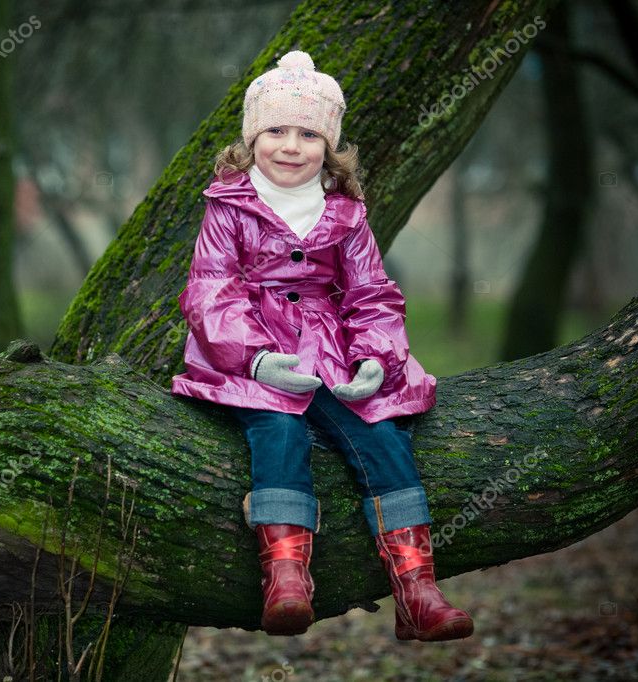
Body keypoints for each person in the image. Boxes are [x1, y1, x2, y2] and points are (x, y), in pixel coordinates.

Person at [171, 50, 474, 641]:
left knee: (381, 432)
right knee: (277, 429)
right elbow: (210, 291)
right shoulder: (230, 206)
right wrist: (254, 357)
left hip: (329, 351)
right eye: (275, 131)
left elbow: (371, 292)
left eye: (308, 133)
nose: (290, 145)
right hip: (251, 352)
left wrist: (373, 358)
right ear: (251, 139)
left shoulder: (347, 214)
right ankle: (285, 576)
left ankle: (418, 588)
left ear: (328, 147)